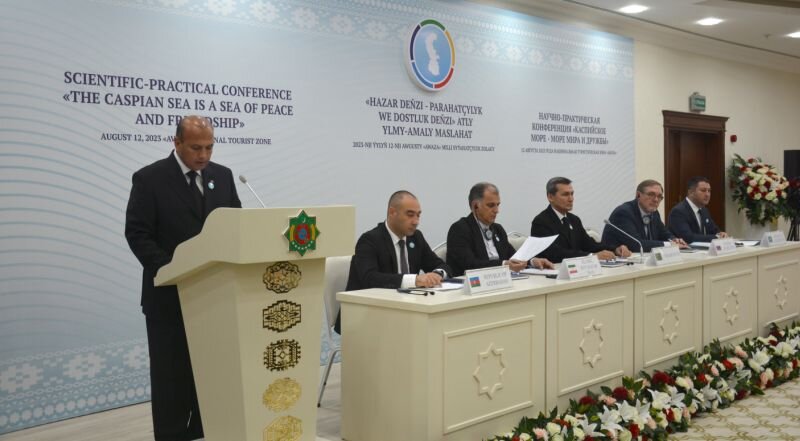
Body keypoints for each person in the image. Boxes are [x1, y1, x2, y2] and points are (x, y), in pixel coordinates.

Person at [125, 115, 241, 441]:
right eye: (195, 148)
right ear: (176, 142)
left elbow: (236, 226)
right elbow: (138, 234)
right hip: (169, 298)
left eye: (209, 147)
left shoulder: (223, 176)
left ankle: (206, 432)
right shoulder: (150, 179)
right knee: (171, 379)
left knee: (210, 375)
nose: (204, 155)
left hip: (215, 296)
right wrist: (175, 270)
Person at [334, 191, 451, 334]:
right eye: (410, 214)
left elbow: (441, 265)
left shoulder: (416, 238)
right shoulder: (370, 240)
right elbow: (370, 278)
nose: (416, 221)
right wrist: (415, 280)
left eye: (418, 215)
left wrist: (437, 274)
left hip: (404, 313)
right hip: (364, 317)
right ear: (392, 212)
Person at [447, 182, 553, 276]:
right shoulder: (460, 229)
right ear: (475, 206)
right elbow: (469, 264)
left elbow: (513, 256)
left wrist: (533, 261)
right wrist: (504, 265)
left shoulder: (498, 229)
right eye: (491, 205)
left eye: (498, 205)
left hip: (501, 281)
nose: (497, 210)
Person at [531, 177, 631, 263]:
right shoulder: (541, 221)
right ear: (550, 197)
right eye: (565, 194)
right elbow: (555, 253)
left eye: (572, 194)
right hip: (554, 272)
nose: (571, 199)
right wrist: (591, 256)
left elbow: (589, 245)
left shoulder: (574, 220)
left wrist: (615, 249)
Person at [602, 179, 687, 252]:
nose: (656, 200)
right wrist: (670, 244)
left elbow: (664, 233)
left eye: (659, 196)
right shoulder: (624, 213)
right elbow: (637, 244)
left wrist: (674, 240)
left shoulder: (654, 212)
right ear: (638, 195)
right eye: (651, 194)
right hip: (616, 260)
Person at [668, 176, 727, 243]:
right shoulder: (678, 211)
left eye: (709, 191)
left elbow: (714, 230)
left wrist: (721, 234)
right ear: (690, 192)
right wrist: (716, 237)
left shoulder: (704, 210)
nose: (707, 194)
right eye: (703, 190)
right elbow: (688, 238)